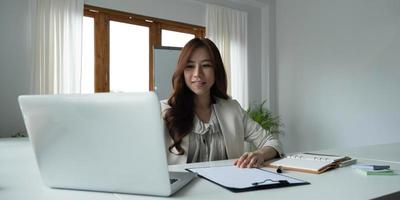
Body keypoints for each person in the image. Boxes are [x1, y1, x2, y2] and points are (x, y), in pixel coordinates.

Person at [161, 38, 282, 168]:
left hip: (228, 186)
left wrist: (260, 154)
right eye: (190, 66)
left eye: (206, 65)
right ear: (182, 71)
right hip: (181, 188)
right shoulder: (163, 110)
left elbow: (272, 142)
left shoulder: (232, 108)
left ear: (216, 70)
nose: (197, 74)